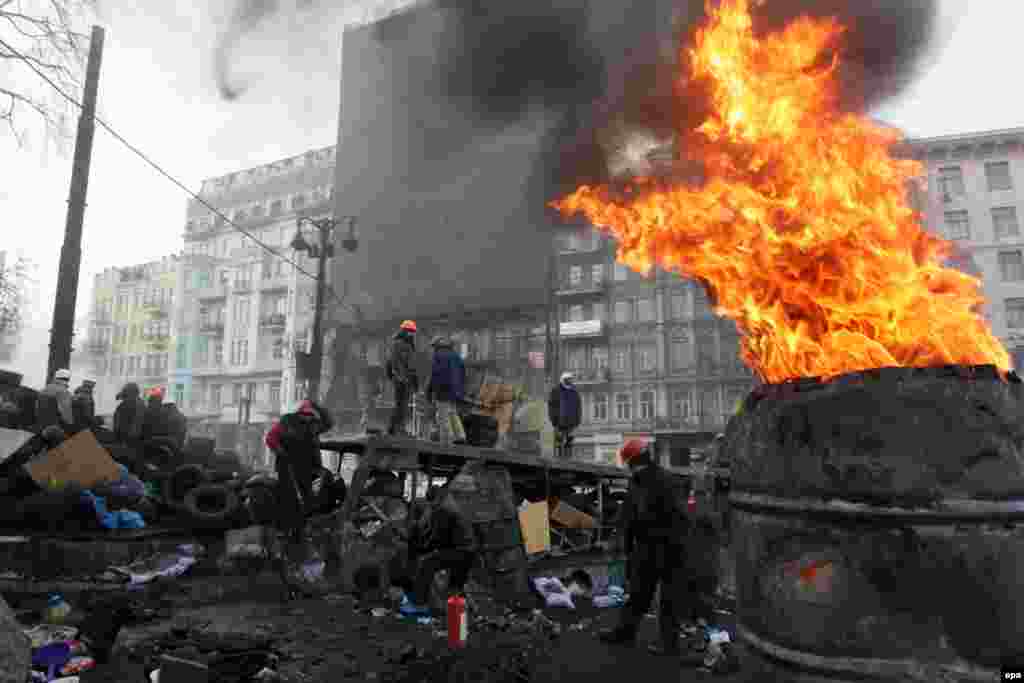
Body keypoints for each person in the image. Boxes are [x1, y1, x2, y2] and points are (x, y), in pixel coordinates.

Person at [599, 439, 691, 657]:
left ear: (631, 462)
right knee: (644, 593)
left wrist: (627, 542)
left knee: (661, 596)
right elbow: (629, 514)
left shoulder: (655, 480)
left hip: (664, 546)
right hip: (654, 546)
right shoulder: (645, 480)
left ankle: (665, 643)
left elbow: (676, 517)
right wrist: (623, 542)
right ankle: (628, 633)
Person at [265, 400, 334, 544]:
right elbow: (270, 438)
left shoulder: (312, 424)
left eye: (309, 415)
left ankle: (302, 531)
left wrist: (316, 405)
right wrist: (282, 453)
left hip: (308, 469)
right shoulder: (288, 423)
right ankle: (292, 532)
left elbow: (329, 422)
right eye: (305, 414)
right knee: (291, 499)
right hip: (289, 468)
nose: (307, 418)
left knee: (309, 500)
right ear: (299, 414)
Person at [402, 486, 477, 615]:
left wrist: (421, 548)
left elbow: (438, 539)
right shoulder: (455, 507)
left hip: (459, 551)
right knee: (455, 584)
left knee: (428, 564)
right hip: (468, 552)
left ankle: (419, 603)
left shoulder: (444, 511)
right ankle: (461, 609)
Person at [425, 336, 467, 445]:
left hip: (443, 390)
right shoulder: (457, 357)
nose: (433, 350)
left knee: (442, 416)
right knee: (453, 413)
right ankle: (460, 436)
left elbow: (435, 375)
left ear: (438, 347)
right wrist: (460, 391)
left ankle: (446, 441)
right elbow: (463, 376)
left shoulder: (439, 356)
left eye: (434, 347)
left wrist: (429, 391)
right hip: (455, 392)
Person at [386, 320, 419, 437]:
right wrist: (405, 377)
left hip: (402, 378)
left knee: (401, 405)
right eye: (412, 332)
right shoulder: (402, 344)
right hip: (403, 379)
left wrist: (392, 374)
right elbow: (400, 362)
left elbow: (392, 361)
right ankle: (396, 429)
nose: (413, 334)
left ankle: (395, 429)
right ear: (406, 331)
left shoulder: (400, 343)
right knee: (401, 406)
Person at [548, 371, 581, 458]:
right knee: (559, 440)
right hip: (559, 422)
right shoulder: (556, 391)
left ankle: (568, 457)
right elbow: (551, 406)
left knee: (569, 441)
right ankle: (558, 457)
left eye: (570, 380)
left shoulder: (574, 392)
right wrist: (553, 420)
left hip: (571, 423)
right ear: (563, 380)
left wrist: (577, 421)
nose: (569, 381)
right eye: (567, 380)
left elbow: (578, 407)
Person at [36, 368, 74, 433]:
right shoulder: (63, 392)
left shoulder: (45, 389)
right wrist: (71, 424)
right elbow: (66, 412)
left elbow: (37, 407)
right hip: (55, 427)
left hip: (41, 424)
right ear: (68, 379)